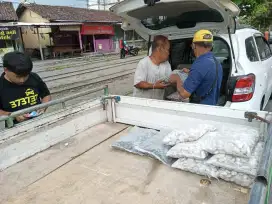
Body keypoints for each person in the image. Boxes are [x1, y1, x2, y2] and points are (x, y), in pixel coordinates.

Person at [169, 30, 223, 105]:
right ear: (211, 45)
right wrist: (191, 72)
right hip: (212, 105)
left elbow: (184, 94)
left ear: (194, 45)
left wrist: (177, 79)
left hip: (201, 108)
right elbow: (205, 77)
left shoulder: (199, 64)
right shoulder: (216, 62)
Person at [0, 51, 51, 123]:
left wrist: (43, 107)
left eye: (26, 76)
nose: (22, 80)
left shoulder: (34, 77)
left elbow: (46, 95)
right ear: (6, 70)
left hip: (39, 120)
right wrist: (12, 115)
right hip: (15, 128)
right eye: (18, 77)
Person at [133, 35, 172, 100]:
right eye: (167, 50)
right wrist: (154, 85)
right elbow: (138, 83)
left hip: (157, 103)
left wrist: (179, 75)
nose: (169, 53)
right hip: (142, 104)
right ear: (159, 49)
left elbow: (170, 79)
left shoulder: (166, 64)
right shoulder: (144, 63)